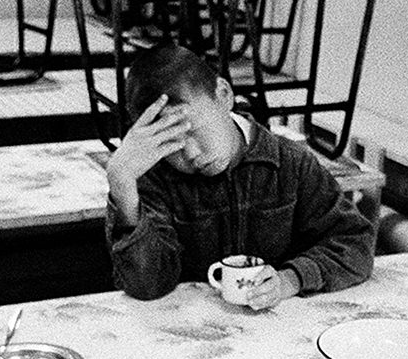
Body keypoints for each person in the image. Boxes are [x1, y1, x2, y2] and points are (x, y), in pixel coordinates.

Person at [104, 42, 377, 304]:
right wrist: (124, 188)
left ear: (223, 95)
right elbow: (148, 286)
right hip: (193, 333)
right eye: (170, 143)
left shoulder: (290, 163)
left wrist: (291, 280)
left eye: (194, 131)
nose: (191, 153)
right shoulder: (154, 178)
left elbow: (355, 243)